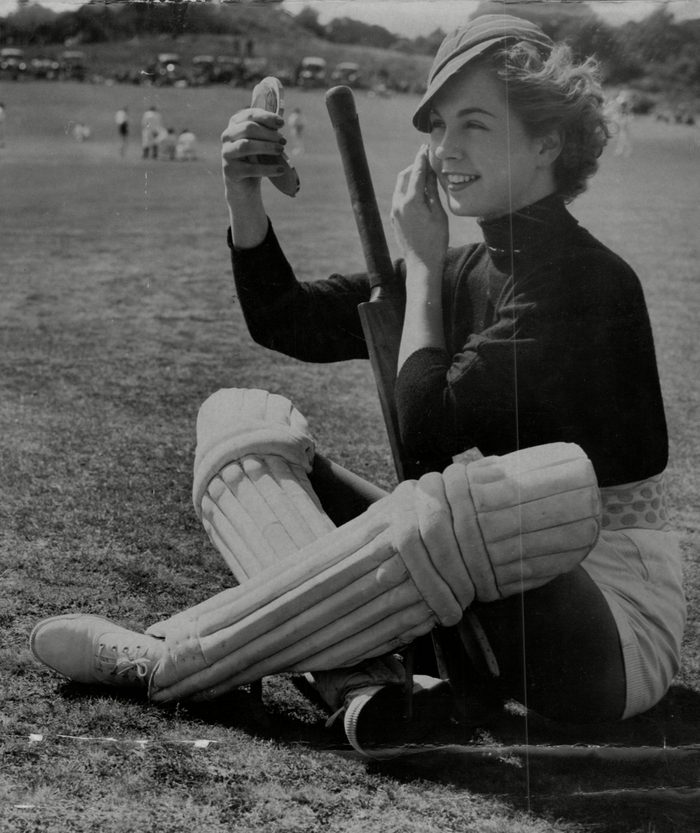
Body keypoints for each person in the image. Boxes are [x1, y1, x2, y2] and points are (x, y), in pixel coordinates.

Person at [30, 15, 685, 758]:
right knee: (240, 422)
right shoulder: (469, 267)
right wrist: (244, 197)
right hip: (469, 585)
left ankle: (169, 657)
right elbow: (287, 318)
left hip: (605, 629)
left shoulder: (585, 282)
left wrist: (427, 271)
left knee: (480, 494)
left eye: (474, 124)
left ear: (548, 141)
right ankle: (366, 686)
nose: (445, 150)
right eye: (439, 126)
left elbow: (426, 433)